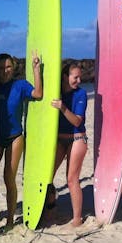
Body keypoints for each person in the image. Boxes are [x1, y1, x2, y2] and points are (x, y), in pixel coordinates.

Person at [0, 52, 43, 231]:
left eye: (8, 67)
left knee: (9, 177)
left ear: (13, 67)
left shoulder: (20, 85)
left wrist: (36, 69)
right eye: (1, 68)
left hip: (15, 137)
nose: (5, 71)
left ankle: (9, 219)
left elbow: (38, 93)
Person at [51, 61, 88, 227]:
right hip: (59, 139)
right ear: (65, 77)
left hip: (77, 138)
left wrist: (63, 108)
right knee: (47, 176)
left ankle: (77, 219)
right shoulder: (55, 90)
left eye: (80, 78)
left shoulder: (81, 94)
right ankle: (50, 210)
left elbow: (77, 121)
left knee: (72, 179)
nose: (79, 81)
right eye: (75, 77)